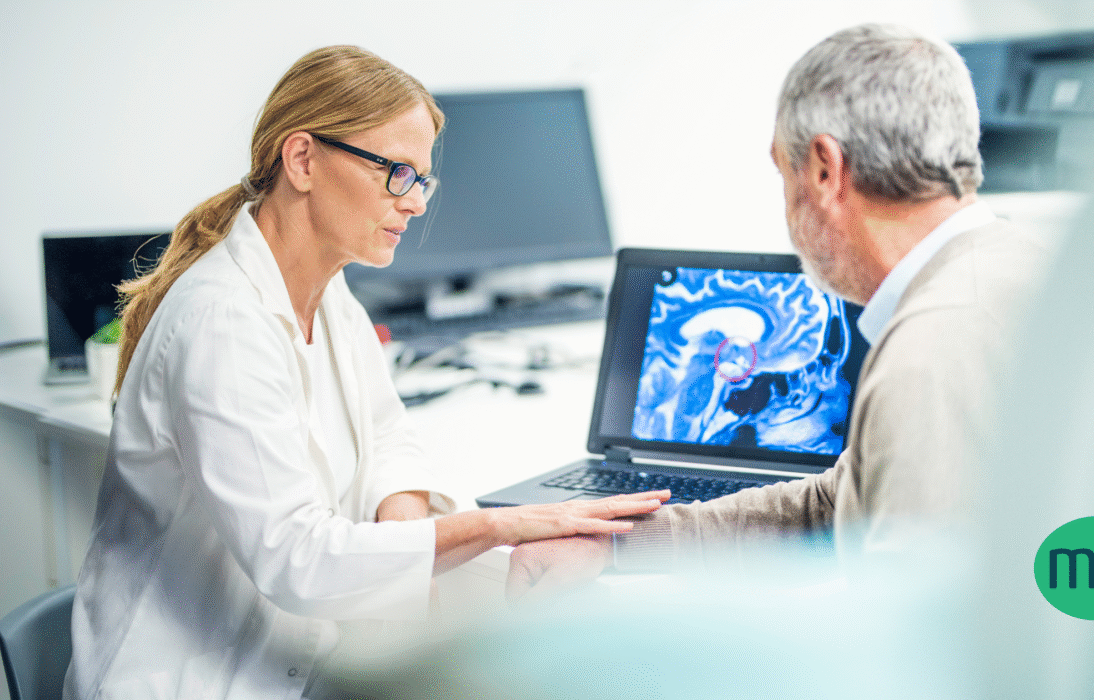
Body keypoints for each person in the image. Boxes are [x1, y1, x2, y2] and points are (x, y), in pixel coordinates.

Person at [65, 45, 666, 700]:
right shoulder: (220, 323)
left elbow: (386, 436)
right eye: (397, 173)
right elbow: (296, 560)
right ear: (302, 160)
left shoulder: (332, 296)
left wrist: (408, 534)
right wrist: (497, 526)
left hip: (298, 662)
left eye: (422, 180)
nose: (414, 203)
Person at [507, 23, 1049, 598]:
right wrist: (614, 541)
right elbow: (838, 504)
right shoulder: (1016, 262)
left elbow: (912, 641)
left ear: (823, 170)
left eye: (782, 171)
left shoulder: (927, 355)